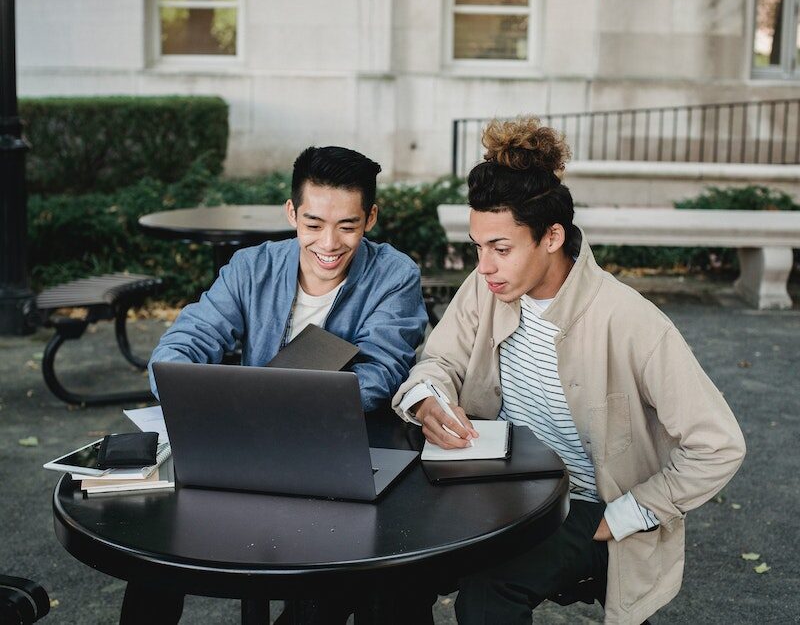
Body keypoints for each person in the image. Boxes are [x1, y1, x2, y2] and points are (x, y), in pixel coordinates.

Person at [392, 117, 746, 625]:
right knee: (394, 569)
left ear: (552, 236)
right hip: (493, 487)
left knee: (488, 593)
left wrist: (625, 515)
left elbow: (719, 444)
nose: (484, 265)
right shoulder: (485, 287)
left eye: (501, 248)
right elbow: (439, 361)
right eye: (477, 246)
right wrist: (428, 399)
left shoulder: (629, 320)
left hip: (583, 503)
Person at [121, 146, 429, 625]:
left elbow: (382, 371)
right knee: (154, 557)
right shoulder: (251, 267)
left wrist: (280, 399)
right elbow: (186, 339)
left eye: (347, 225)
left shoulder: (394, 275)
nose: (329, 243)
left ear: (370, 217)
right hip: (247, 445)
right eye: (313, 224)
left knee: (335, 586)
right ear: (291, 213)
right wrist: (184, 382)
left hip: (342, 452)